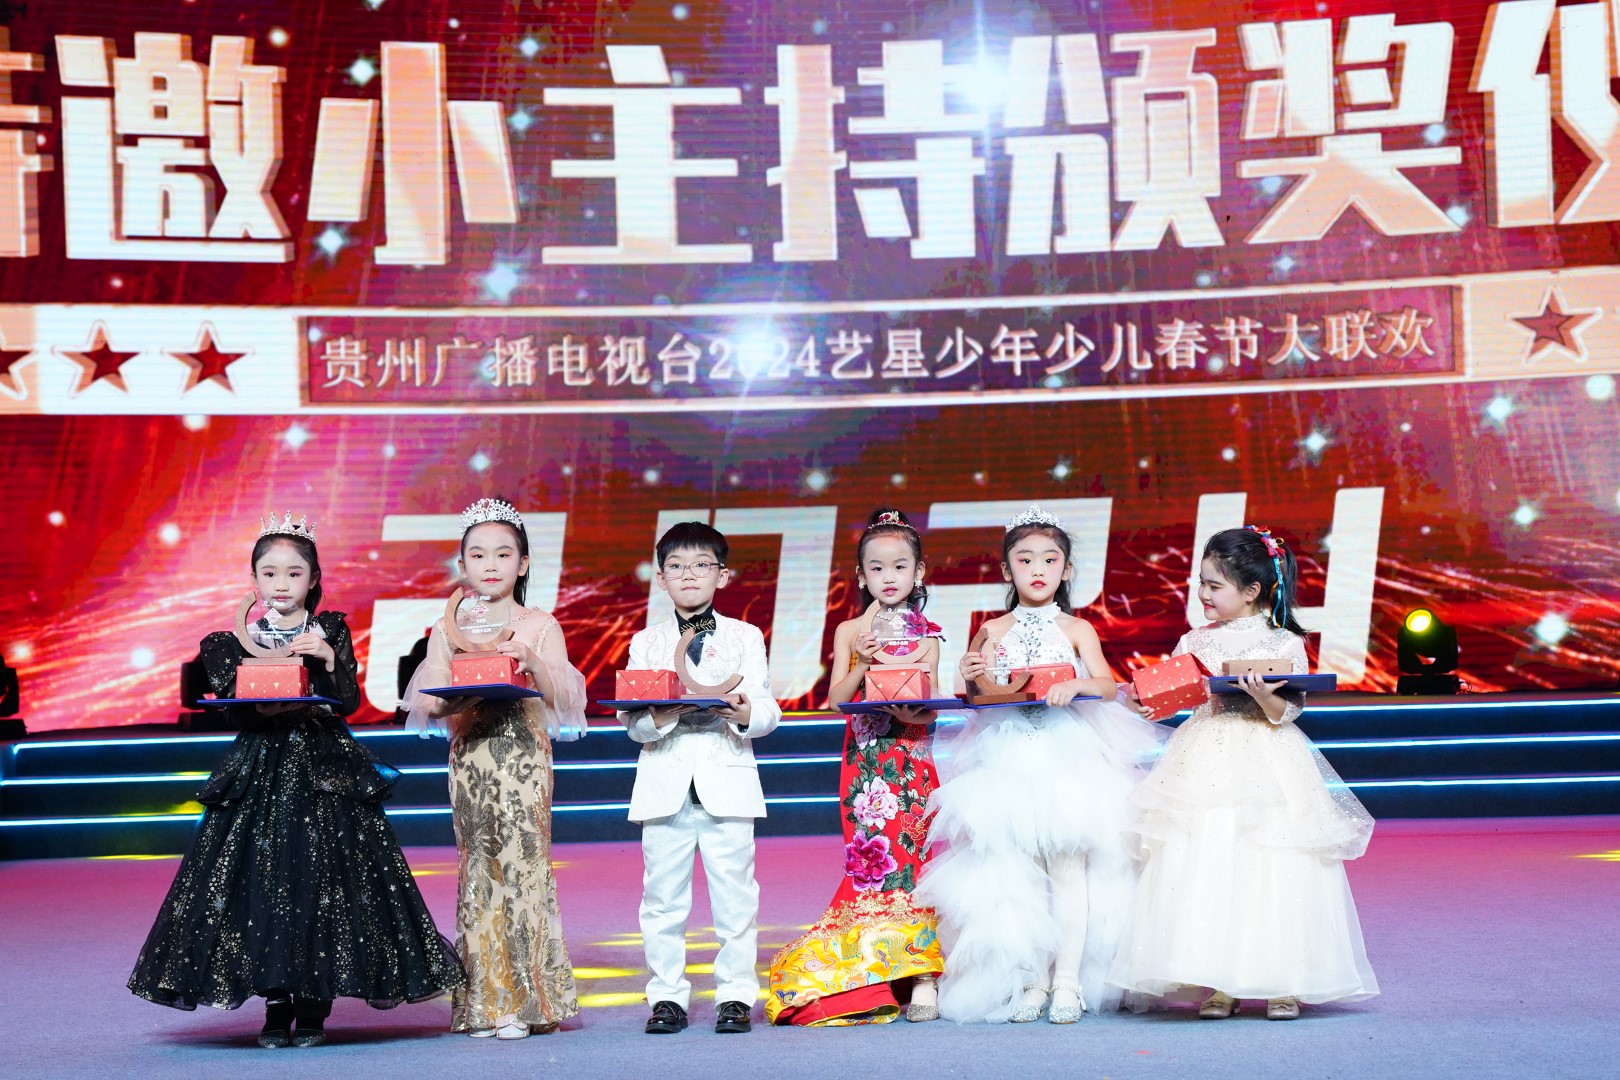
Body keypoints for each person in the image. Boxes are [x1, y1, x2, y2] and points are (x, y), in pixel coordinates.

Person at [129, 513, 463, 1047]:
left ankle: (313, 1003)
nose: (281, 583)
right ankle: (275, 1001)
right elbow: (233, 708)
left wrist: (328, 660)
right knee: (263, 883)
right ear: (253, 581)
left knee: (324, 883)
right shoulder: (229, 640)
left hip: (323, 767)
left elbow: (347, 702)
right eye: (269, 573)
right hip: (261, 767)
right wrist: (262, 696)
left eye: (294, 573)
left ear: (313, 579)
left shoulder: (329, 629)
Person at [1109, 526, 1379, 1020]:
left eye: (1215, 585)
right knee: (1209, 859)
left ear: (1252, 590)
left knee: (1273, 862)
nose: (1203, 594)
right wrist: (1143, 703)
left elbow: (1286, 712)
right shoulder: (1194, 639)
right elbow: (1175, 697)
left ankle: (1283, 980)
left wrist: (1261, 694)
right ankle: (1219, 981)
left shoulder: (1284, 642)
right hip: (1203, 757)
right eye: (1201, 582)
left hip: (1269, 759)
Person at [914, 505, 1163, 1024]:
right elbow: (978, 696)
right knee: (1019, 874)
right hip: (1005, 759)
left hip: (1065, 757)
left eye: (1050, 559)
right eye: (1024, 559)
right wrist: (970, 674)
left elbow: (1107, 684)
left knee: (1069, 870)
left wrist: (1076, 683)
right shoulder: (991, 629)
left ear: (1066, 570)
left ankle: (1068, 980)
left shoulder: (1077, 628)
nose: (1037, 569)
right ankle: (1032, 979)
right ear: (1007, 570)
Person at [403, 498, 588, 1038]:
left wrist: (531, 664)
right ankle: (485, 1003)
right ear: (462, 565)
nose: (490, 564)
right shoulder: (448, 628)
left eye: (503, 554)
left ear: (523, 563)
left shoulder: (540, 623)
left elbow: (561, 699)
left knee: (524, 868)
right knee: (479, 870)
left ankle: (530, 1004)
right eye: (478, 554)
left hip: (524, 756)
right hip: (471, 758)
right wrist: (459, 695)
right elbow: (432, 702)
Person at [768, 508, 945, 1025]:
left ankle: (923, 976)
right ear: (861, 575)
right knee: (872, 868)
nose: (889, 577)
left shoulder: (930, 635)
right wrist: (864, 663)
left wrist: (909, 711)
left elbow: (929, 708)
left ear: (919, 572)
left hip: (910, 758)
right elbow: (835, 700)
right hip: (865, 765)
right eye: (877, 567)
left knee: (915, 865)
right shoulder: (850, 630)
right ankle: (878, 967)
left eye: (900, 566)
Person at [617, 521, 781, 1035]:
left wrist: (741, 711)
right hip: (664, 783)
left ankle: (735, 996)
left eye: (701, 565)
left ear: (722, 575)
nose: (689, 575)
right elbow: (632, 722)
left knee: (736, 899)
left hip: (726, 780)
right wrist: (663, 715)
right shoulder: (646, 642)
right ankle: (667, 997)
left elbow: (767, 710)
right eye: (677, 566)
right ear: (661, 578)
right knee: (662, 901)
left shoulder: (744, 636)